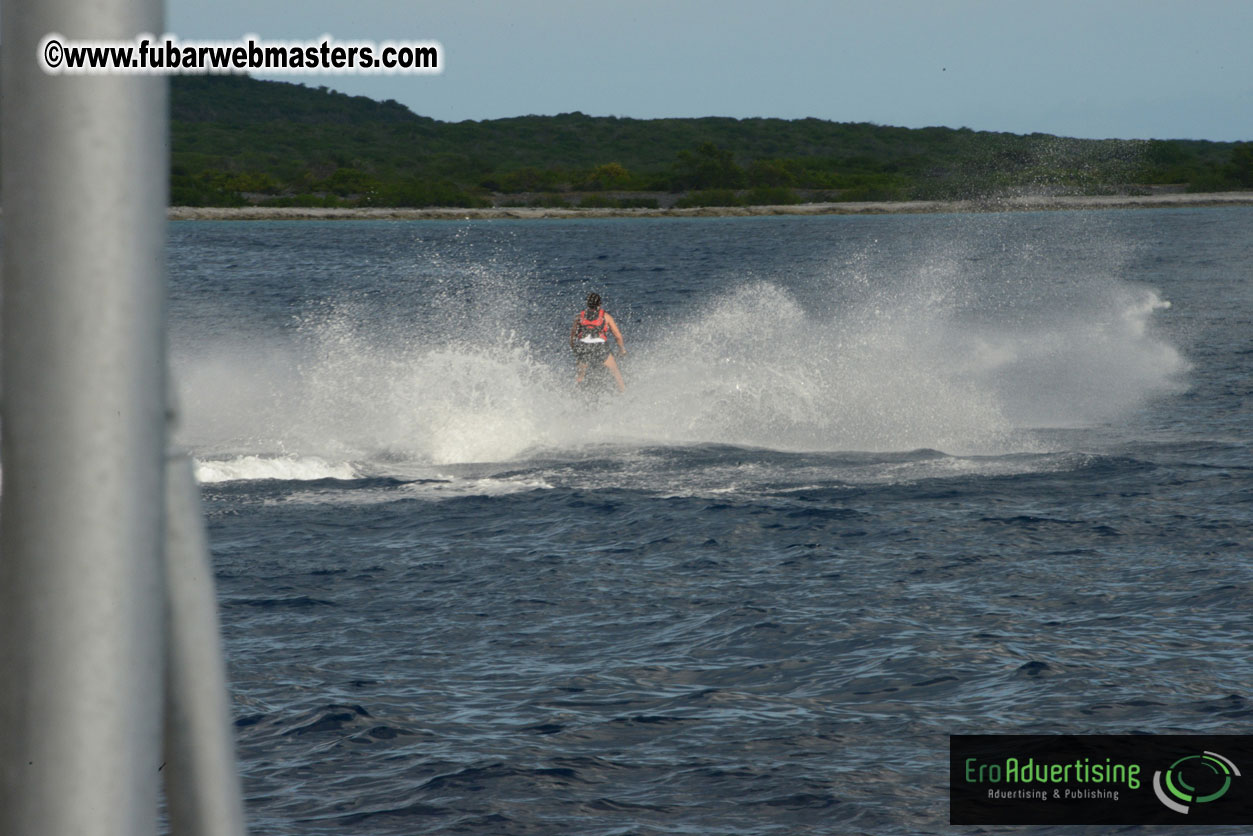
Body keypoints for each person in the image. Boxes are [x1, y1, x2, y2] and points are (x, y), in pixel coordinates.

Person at [570, 292, 626, 392]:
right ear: (600, 304)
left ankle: (575, 397)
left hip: (583, 347)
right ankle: (624, 394)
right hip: (600, 347)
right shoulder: (606, 316)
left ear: (587, 304)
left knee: (580, 376)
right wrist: (622, 350)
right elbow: (618, 336)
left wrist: (575, 349)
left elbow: (573, 335)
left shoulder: (579, 317)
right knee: (615, 372)